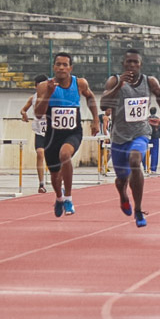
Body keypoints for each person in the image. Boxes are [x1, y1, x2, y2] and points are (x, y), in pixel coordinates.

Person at [102, 49, 160, 228]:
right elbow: (103, 104)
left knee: (135, 160)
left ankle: (138, 209)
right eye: (129, 62)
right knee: (121, 179)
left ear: (140, 65)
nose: (132, 65)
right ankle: (123, 195)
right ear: (123, 63)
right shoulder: (114, 80)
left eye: (135, 62)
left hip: (140, 132)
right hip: (119, 136)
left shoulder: (149, 81)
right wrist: (119, 86)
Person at [34, 53, 98, 217]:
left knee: (65, 154)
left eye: (65, 64)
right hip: (52, 136)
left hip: (72, 132)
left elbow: (90, 97)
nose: (61, 68)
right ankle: (59, 197)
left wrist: (96, 120)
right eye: (58, 64)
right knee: (55, 176)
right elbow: (39, 114)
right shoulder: (44, 86)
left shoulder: (80, 83)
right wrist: (48, 93)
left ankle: (68, 198)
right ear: (54, 67)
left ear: (70, 68)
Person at [20, 74, 49, 193]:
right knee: (40, 153)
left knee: (56, 157)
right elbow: (23, 109)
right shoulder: (33, 98)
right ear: (37, 86)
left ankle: (59, 180)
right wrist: (24, 114)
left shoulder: (52, 97)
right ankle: (41, 183)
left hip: (52, 130)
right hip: (40, 130)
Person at [148, 106, 160, 173]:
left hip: (148, 137)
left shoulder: (147, 119)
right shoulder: (158, 119)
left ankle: (145, 167)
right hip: (155, 137)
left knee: (146, 152)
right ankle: (153, 169)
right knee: (155, 152)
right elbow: (159, 127)